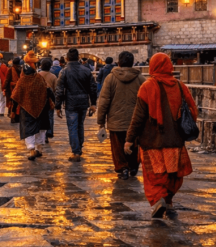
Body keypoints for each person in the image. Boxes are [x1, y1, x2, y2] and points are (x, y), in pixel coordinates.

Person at [126, 53, 198, 218]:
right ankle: (169, 202)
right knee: (173, 174)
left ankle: (159, 200)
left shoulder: (147, 87)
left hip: (153, 142)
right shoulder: (180, 86)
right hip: (175, 141)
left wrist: (129, 139)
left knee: (154, 175)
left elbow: (138, 118)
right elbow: (193, 111)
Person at [97, 51, 144, 180]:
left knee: (118, 147)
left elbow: (104, 100)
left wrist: (101, 121)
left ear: (118, 62)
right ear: (132, 62)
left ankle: (123, 168)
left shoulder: (111, 78)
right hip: (135, 120)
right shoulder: (140, 78)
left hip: (115, 121)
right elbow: (147, 100)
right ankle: (133, 166)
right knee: (134, 144)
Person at [55, 48, 97, 162]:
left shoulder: (64, 71)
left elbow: (59, 90)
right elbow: (92, 88)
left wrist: (57, 106)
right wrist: (93, 103)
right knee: (80, 125)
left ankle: (76, 151)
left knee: (72, 127)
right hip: (83, 102)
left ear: (67, 58)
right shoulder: (86, 70)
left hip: (71, 102)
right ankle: (79, 147)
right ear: (78, 57)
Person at [12, 61, 53, 161]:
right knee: (40, 128)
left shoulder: (22, 81)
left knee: (28, 129)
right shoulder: (39, 78)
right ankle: (39, 148)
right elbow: (48, 91)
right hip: (41, 108)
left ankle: (31, 149)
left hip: (27, 109)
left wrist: (13, 110)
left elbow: (15, 96)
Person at [38, 58, 58, 141]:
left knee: (40, 117)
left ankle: (42, 134)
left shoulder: (37, 75)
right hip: (49, 98)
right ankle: (49, 132)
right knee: (50, 116)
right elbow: (56, 89)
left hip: (39, 98)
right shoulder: (53, 76)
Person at [4, 57, 22, 124]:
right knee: (18, 103)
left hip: (11, 89)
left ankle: (12, 116)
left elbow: (7, 79)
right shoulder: (22, 69)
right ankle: (17, 116)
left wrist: (4, 87)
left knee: (11, 103)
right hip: (20, 88)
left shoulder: (10, 69)